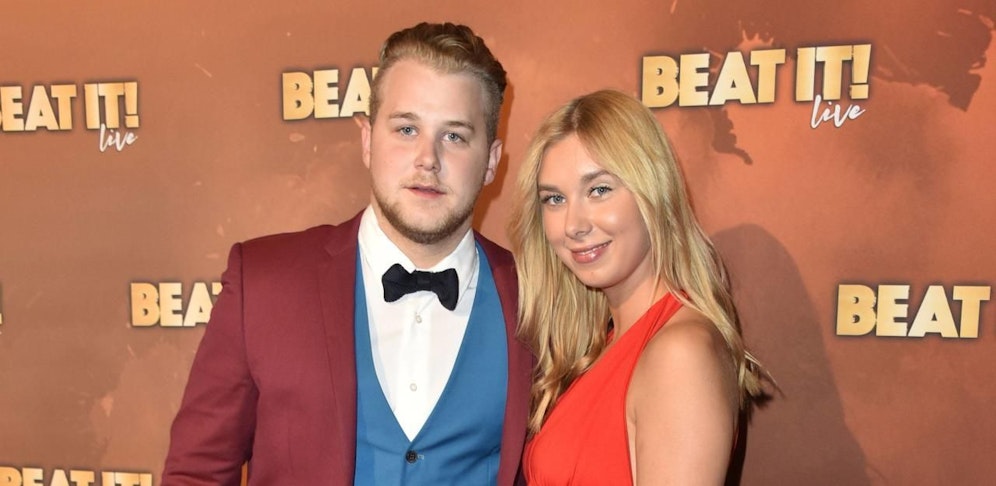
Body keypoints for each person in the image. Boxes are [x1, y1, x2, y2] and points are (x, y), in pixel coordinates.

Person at [162, 22, 532, 486]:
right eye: (406, 129)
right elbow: (196, 474)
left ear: (492, 161)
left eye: (454, 136)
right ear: (367, 140)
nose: (428, 158)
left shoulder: (536, 301)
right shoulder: (263, 283)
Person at [509, 89, 765, 485]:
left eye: (599, 190)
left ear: (654, 193)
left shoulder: (680, 353)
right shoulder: (609, 343)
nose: (573, 224)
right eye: (555, 199)